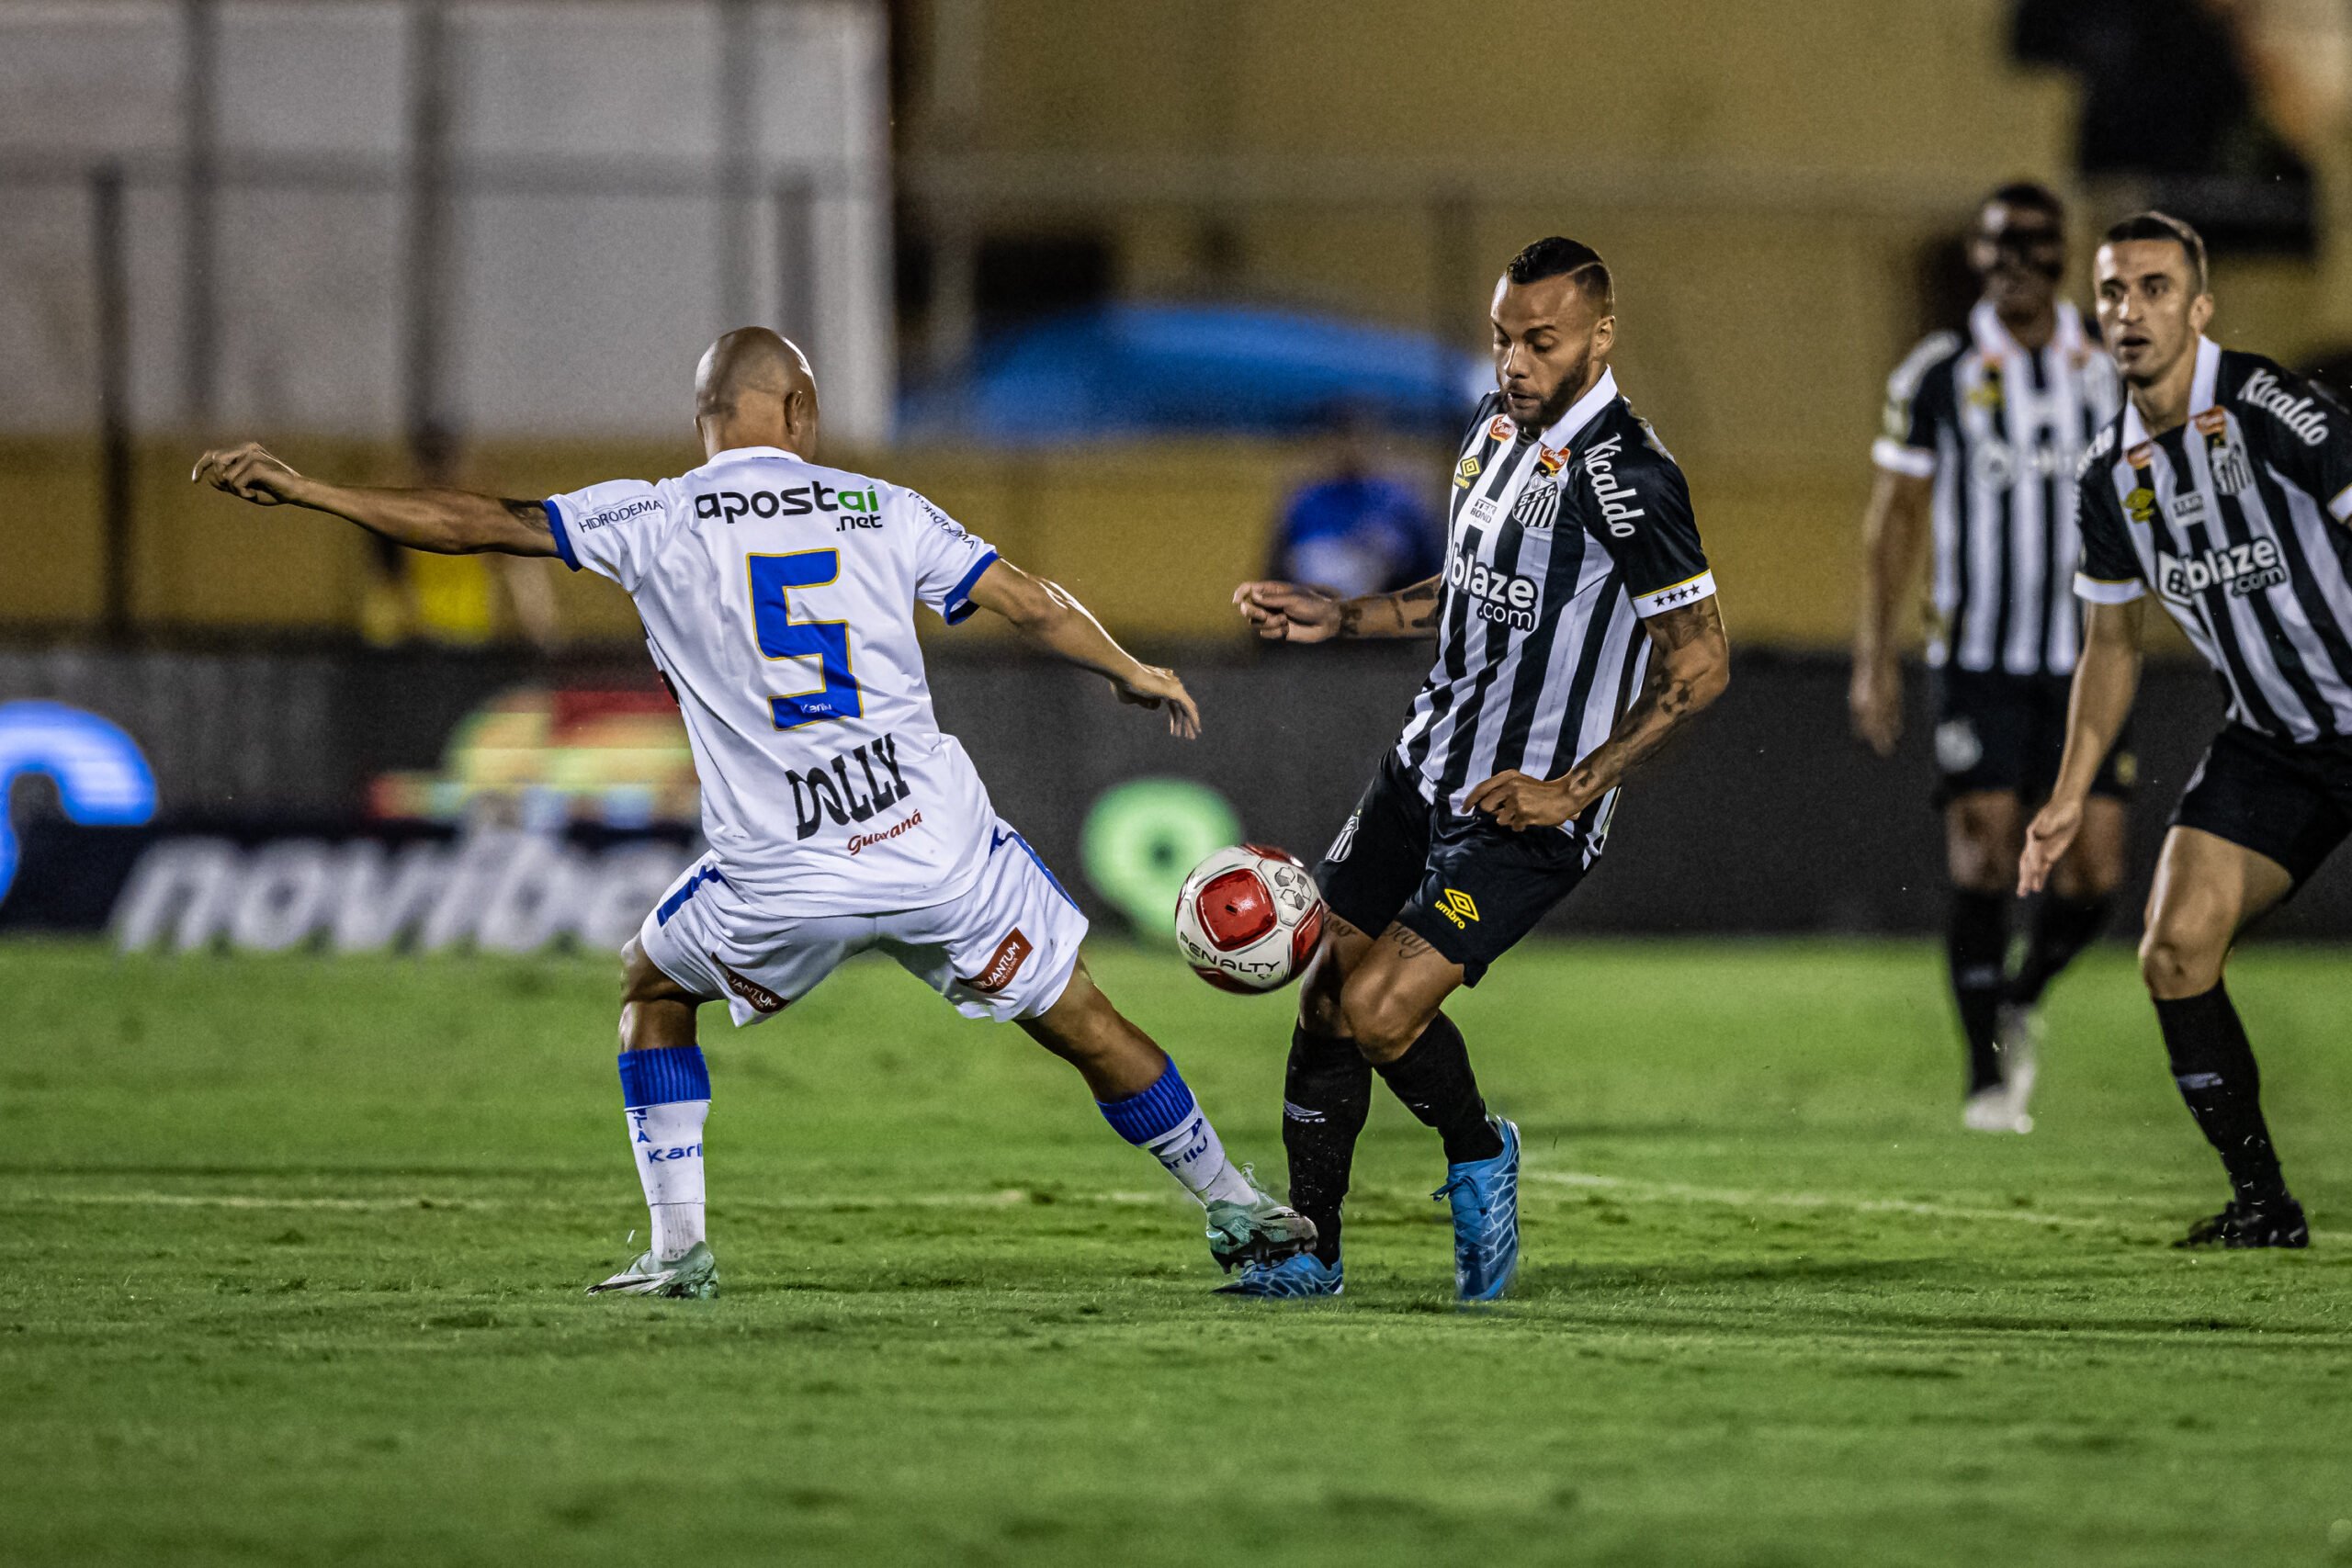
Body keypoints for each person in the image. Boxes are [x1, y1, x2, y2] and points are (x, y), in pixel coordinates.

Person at [191, 327, 1315, 1297]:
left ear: (707, 421)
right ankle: (1238, 1209)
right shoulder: (883, 506)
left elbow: (477, 521)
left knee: (649, 981)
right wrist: (1128, 669)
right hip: (939, 859)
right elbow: (1028, 601)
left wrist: (314, 491)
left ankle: (679, 1250)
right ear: (802, 411)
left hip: (785, 880)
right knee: (1083, 1019)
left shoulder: (655, 515)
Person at [1228, 237, 1732, 1301]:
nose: (1513, 362)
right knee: (1324, 1001)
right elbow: (1461, 586)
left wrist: (1574, 788)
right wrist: (1346, 613)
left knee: (1380, 1014)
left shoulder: (1631, 475)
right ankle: (1308, 1250)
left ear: (1600, 336)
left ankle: (1478, 1150)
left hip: (1526, 811)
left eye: (1538, 342)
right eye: (1501, 337)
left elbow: (1701, 662)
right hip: (1422, 768)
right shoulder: (1492, 426)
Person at [2022, 211, 2352, 1248]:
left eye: (2155, 288)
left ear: (2199, 309)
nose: (2131, 309)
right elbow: (2111, 646)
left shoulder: (2268, 407)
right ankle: (2263, 1204)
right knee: (2174, 949)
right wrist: (2069, 792)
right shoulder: (2107, 478)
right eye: (2114, 290)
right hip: (2274, 742)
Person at [1851, 182, 2130, 1134]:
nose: (2016, 262)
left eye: (2036, 245)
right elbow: (1893, 518)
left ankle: (2022, 994)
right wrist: (1873, 655)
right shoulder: (1938, 371)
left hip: (2090, 652)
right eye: (1999, 245)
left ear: (2064, 256)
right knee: (1984, 850)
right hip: (1978, 653)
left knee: (2094, 869)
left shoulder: (2110, 360)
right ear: (1978, 257)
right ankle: (1983, 1072)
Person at [1270, 407, 1443, 597]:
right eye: (1342, 439)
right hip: (1314, 611)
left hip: (1385, 615)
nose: (1351, 448)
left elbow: (1432, 572)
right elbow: (1276, 572)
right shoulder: (1307, 502)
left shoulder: (1399, 501)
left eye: (1360, 438)